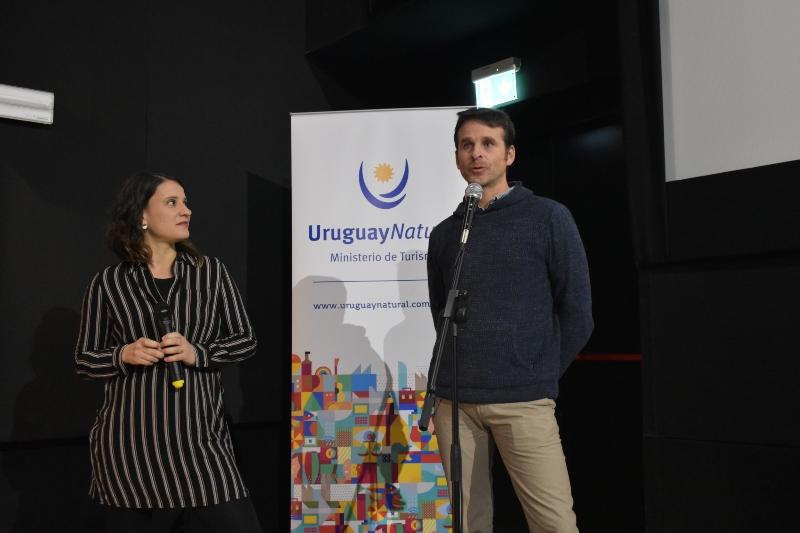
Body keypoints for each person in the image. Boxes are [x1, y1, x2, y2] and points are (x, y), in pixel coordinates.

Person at [427, 108, 593, 532]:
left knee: (553, 523)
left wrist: (537, 371)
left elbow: (578, 313)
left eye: (488, 144)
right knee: (468, 523)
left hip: (523, 400)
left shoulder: (548, 217)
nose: (476, 154)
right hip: (455, 402)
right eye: (467, 145)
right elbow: (439, 312)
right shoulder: (446, 234)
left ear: (510, 154)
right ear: (457, 156)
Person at [74, 172, 262, 532]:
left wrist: (198, 352)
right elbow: (84, 359)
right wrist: (122, 355)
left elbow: (246, 339)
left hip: (201, 446)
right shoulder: (108, 284)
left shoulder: (211, 273)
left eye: (186, 202)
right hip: (132, 453)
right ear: (141, 216)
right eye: (172, 202)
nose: (186, 210)